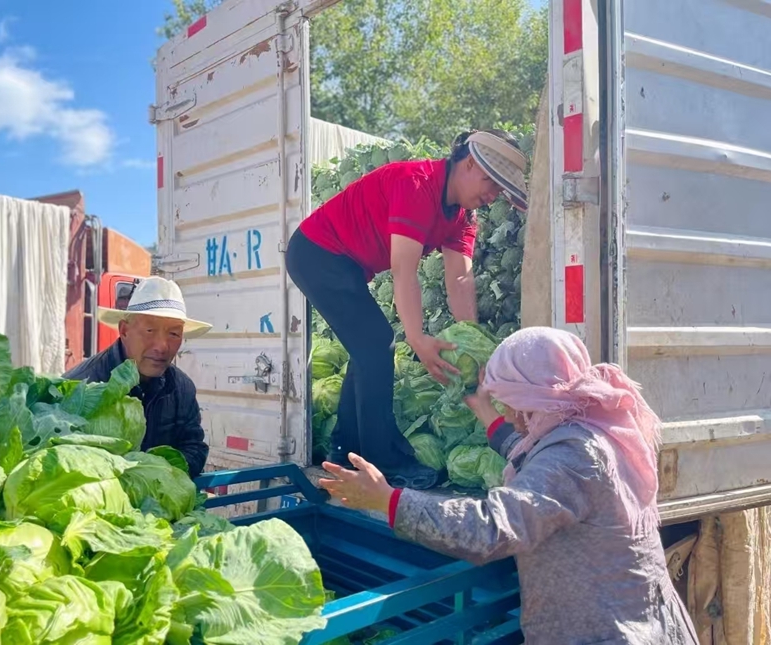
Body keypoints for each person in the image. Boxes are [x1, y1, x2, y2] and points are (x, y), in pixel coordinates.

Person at [319, 327, 699, 644]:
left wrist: (390, 500)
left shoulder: (574, 458)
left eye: (511, 401)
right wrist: (486, 416)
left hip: (609, 632)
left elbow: (491, 529)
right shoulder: (589, 425)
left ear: (536, 394)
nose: (508, 411)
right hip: (634, 620)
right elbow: (530, 454)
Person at [287, 129, 529, 490]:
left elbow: (460, 280)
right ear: (468, 163)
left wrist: (473, 344)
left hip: (347, 263)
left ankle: (343, 449)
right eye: (491, 183)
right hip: (316, 252)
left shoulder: (462, 217)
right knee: (376, 343)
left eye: (499, 191)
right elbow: (404, 270)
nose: (492, 195)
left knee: (367, 347)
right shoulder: (418, 185)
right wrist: (416, 339)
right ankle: (383, 460)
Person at [64, 276, 212, 478]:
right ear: (124, 330)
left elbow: (194, 447)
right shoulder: (80, 386)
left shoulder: (182, 388)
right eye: (150, 330)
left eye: (174, 334)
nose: (162, 346)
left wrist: (153, 477)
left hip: (159, 505)